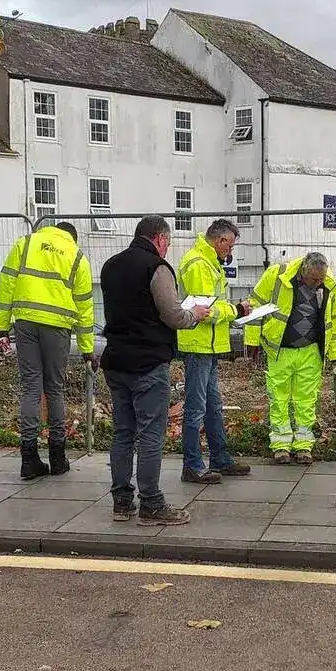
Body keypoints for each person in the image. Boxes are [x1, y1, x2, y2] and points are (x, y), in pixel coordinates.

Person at [100, 215, 208, 526]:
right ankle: (151, 503)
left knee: (122, 433)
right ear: (159, 239)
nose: (168, 249)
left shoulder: (111, 265)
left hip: (116, 360)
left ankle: (122, 502)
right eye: (168, 243)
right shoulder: (156, 268)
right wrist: (195, 314)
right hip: (147, 362)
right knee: (149, 435)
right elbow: (172, 315)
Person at [0, 221, 95, 480]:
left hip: (25, 323)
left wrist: (1, 328)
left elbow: (6, 286)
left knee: (30, 387)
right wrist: (87, 349)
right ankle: (58, 458)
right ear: (72, 237)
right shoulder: (77, 256)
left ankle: (29, 458)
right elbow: (84, 308)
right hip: (58, 329)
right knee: (55, 388)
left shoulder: (25, 244)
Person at [244, 251, 336, 464]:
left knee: (306, 400)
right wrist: (252, 342)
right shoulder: (277, 275)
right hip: (280, 349)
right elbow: (255, 306)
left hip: (311, 351)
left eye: (321, 279)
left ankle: (303, 446)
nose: (318, 284)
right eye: (314, 279)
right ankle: (280, 445)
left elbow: (335, 322)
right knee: (278, 398)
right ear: (303, 271)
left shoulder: (330, 285)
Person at [177, 219, 252, 485]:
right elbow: (205, 310)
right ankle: (193, 465)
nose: (230, 252)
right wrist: (237, 311)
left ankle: (219, 459)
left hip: (206, 345)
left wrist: (230, 310)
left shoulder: (207, 262)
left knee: (212, 406)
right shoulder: (199, 264)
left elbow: (211, 304)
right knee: (197, 407)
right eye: (229, 245)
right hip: (198, 344)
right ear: (219, 241)